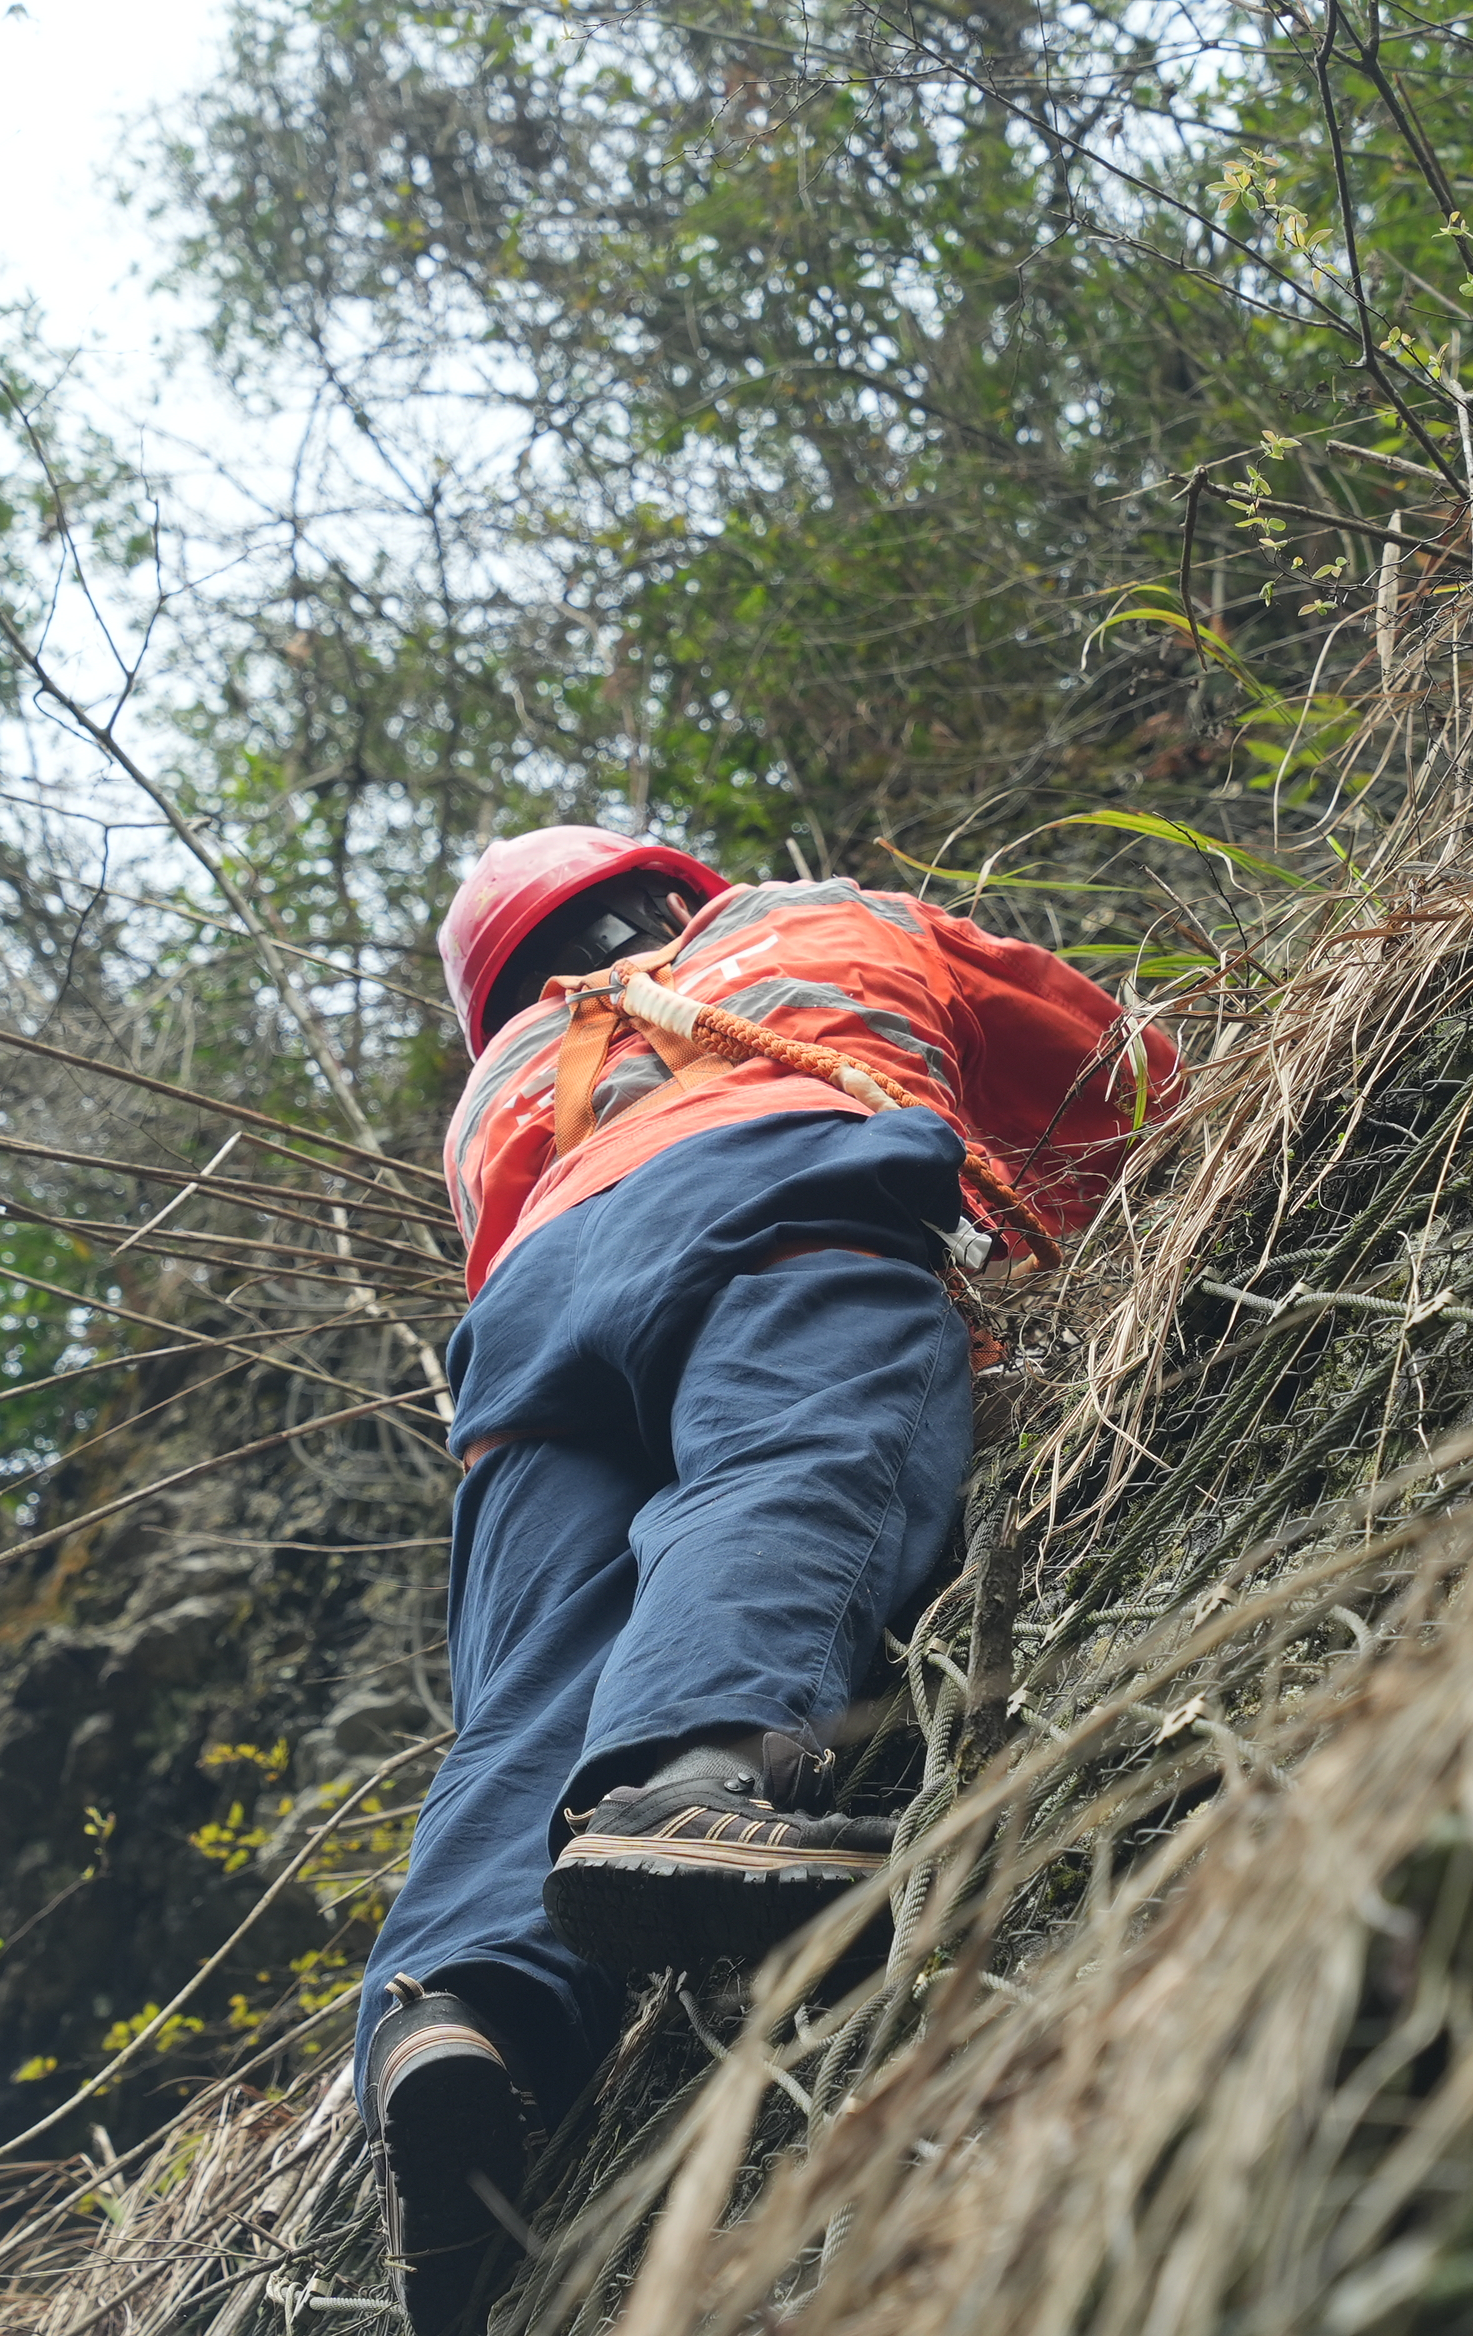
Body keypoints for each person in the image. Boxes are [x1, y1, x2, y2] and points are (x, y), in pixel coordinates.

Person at [360, 826, 1177, 2333]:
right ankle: (699, 1778)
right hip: (770, 1199)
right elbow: (1119, 1077)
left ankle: (459, 2014)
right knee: (786, 1459)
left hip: (530, 1341)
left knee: (531, 1687)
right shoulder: (822, 916)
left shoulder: (494, 1094)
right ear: (675, 894)